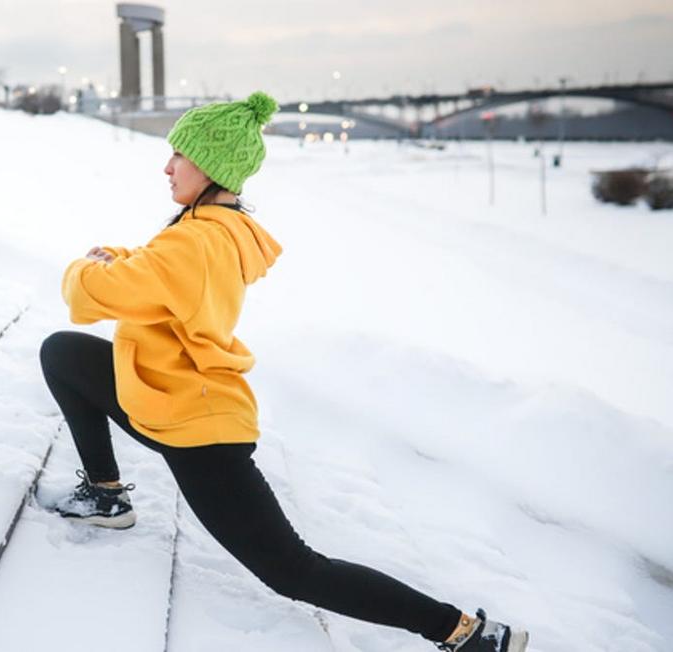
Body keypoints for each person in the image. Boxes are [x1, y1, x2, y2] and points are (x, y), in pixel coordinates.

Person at [38, 91, 529, 652]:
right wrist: (122, 257)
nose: (167, 166)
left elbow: (93, 295)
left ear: (214, 167)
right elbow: (155, 270)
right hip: (163, 395)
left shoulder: (196, 240)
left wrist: (86, 264)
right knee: (65, 353)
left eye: (179, 155)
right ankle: (106, 495)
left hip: (199, 432)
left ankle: (462, 632)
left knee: (295, 570)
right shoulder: (214, 226)